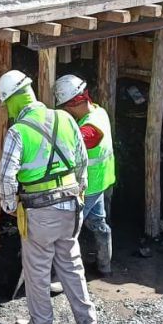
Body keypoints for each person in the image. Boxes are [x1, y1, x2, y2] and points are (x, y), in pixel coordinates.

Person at [0, 70, 99, 324]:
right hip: (70, 205)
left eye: (6, 104)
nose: (7, 110)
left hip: (40, 210)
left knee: (38, 269)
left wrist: (8, 204)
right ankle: (87, 323)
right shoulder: (65, 118)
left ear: (13, 101)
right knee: (72, 264)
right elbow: (81, 162)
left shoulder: (18, 131)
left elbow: (7, 175)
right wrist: (79, 191)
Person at [54, 74, 115, 275]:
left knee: (69, 231)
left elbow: (70, 148)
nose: (66, 111)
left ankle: (64, 273)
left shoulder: (88, 130)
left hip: (89, 186)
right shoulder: (99, 111)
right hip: (103, 180)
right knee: (98, 223)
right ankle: (104, 267)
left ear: (74, 103)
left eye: (65, 107)